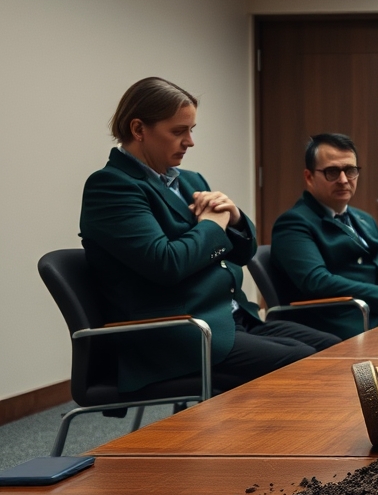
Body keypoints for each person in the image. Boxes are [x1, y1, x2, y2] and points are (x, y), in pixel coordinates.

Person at [80, 78, 338, 395]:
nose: (189, 141)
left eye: (191, 130)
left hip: (228, 318)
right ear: (138, 129)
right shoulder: (111, 186)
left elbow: (241, 254)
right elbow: (167, 264)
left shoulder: (190, 180)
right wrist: (213, 226)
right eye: (178, 131)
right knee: (303, 362)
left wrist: (235, 217)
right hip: (175, 334)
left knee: (334, 349)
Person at [271, 134, 378, 339]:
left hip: (373, 313)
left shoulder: (363, 219)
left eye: (350, 171)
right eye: (332, 172)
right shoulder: (294, 223)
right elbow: (318, 281)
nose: (344, 180)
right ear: (309, 177)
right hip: (340, 321)